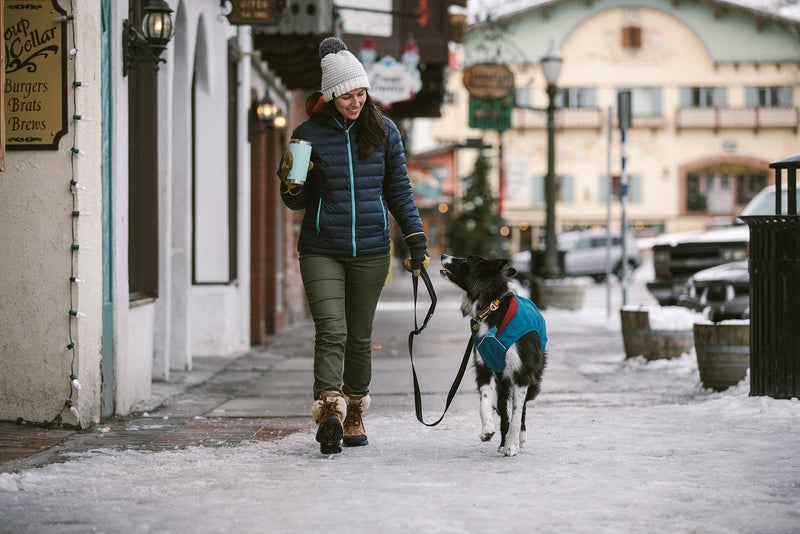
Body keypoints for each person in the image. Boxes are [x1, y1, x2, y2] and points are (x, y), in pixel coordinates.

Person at [277, 37, 429, 455]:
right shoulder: (307, 133)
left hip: (373, 249)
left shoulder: (384, 131)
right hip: (322, 246)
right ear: (330, 95)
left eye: (361, 92)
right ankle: (330, 408)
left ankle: (355, 409)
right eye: (347, 95)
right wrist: (291, 177)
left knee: (360, 337)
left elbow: (399, 191)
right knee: (332, 331)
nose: (356, 101)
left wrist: (415, 239)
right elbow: (294, 200)